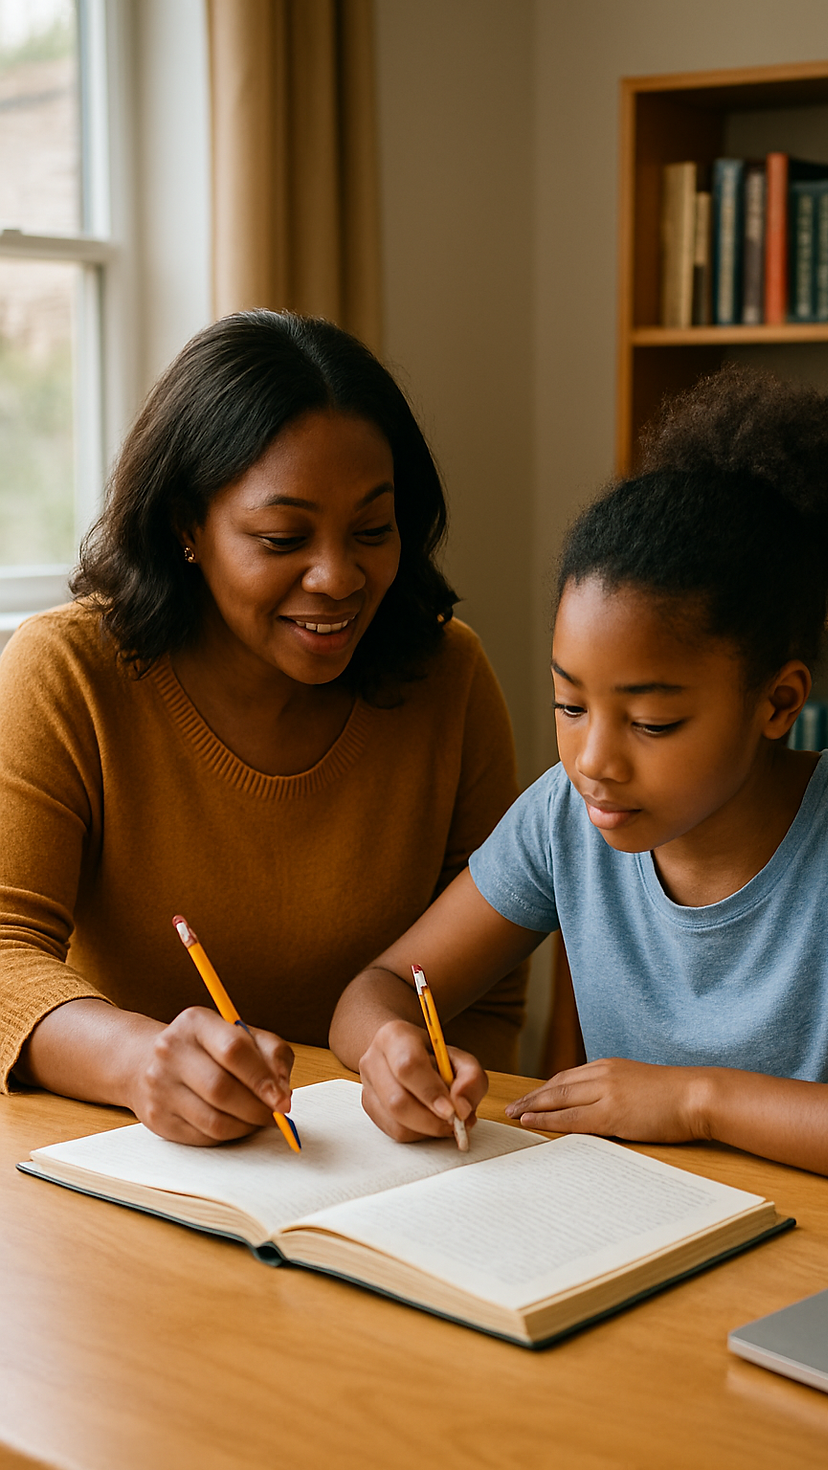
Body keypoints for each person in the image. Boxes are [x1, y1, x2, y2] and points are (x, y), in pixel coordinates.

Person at [330, 366, 828, 1206]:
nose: (594, 759)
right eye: (569, 704)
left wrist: (695, 1099)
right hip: (644, 1234)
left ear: (777, 701)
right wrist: (390, 1049)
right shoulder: (567, 815)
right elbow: (375, 990)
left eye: (653, 723)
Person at [0, 311, 525, 1143]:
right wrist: (141, 1062)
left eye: (373, 531)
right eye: (282, 537)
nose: (338, 577)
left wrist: (433, 1089)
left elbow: (487, 995)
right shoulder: (68, 673)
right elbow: (3, 954)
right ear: (185, 527)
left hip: (375, 1170)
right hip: (129, 1156)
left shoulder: (447, 677)